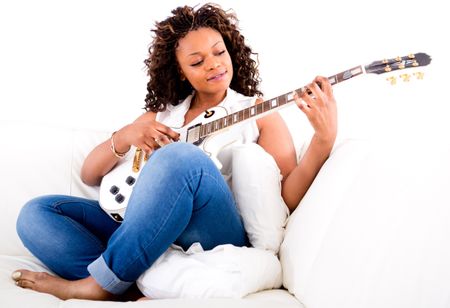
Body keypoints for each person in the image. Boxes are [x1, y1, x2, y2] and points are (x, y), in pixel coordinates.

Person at [11, 3, 337, 301]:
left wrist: (323, 139)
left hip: (211, 229)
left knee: (181, 158)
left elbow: (286, 197)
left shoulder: (258, 111)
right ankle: (126, 285)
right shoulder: (162, 115)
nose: (213, 65)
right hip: (143, 226)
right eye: (197, 61)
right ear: (181, 70)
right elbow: (89, 174)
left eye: (219, 52)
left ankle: (99, 284)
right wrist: (126, 137)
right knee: (38, 213)